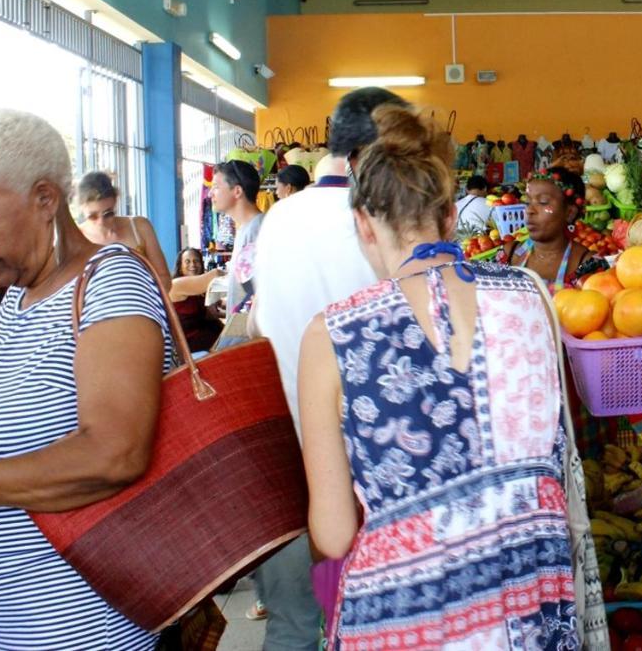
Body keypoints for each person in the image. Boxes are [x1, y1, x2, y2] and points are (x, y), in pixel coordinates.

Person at [297, 105, 578, 649]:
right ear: (449, 216)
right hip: (533, 616)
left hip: (407, 621)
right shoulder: (532, 299)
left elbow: (332, 535)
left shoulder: (330, 336)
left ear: (362, 223)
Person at [0, 109, 173, 649]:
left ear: (45, 199)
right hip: (15, 624)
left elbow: (115, 453)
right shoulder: (20, 298)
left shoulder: (111, 282)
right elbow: (18, 427)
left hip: (82, 625)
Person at [252, 86, 406, 649]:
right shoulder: (381, 224)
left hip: (285, 460)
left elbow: (260, 323)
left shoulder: (279, 220)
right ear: (375, 152)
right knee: (375, 624)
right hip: (372, 468)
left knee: (293, 624)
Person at [505, 166, 592, 290]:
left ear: (570, 213)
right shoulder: (508, 255)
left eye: (543, 202)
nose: (529, 210)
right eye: (527, 202)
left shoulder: (587, 265)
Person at [76, 170, 171, 281]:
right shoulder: (76, 238)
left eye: (108, 214)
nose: (101, 222)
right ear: (82, 209)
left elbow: (164, 278)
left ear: (115, 201)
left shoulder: (139, 227)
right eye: (92, 216)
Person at [212, 159, 264, 318]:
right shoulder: (245, 229)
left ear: (237, 191)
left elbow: (258, 294)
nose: (210, 193)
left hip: (247, 332)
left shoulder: (256, 231)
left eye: (216, 187)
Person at [171, 248, 223, 353]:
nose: (193, 265)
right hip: (195, 351)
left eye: (196, 261)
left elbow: (210, 314)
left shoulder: (198, 291)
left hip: (212, 343)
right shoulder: (176, 284)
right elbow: (216, 273)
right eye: (187, 261)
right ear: (180, 268)